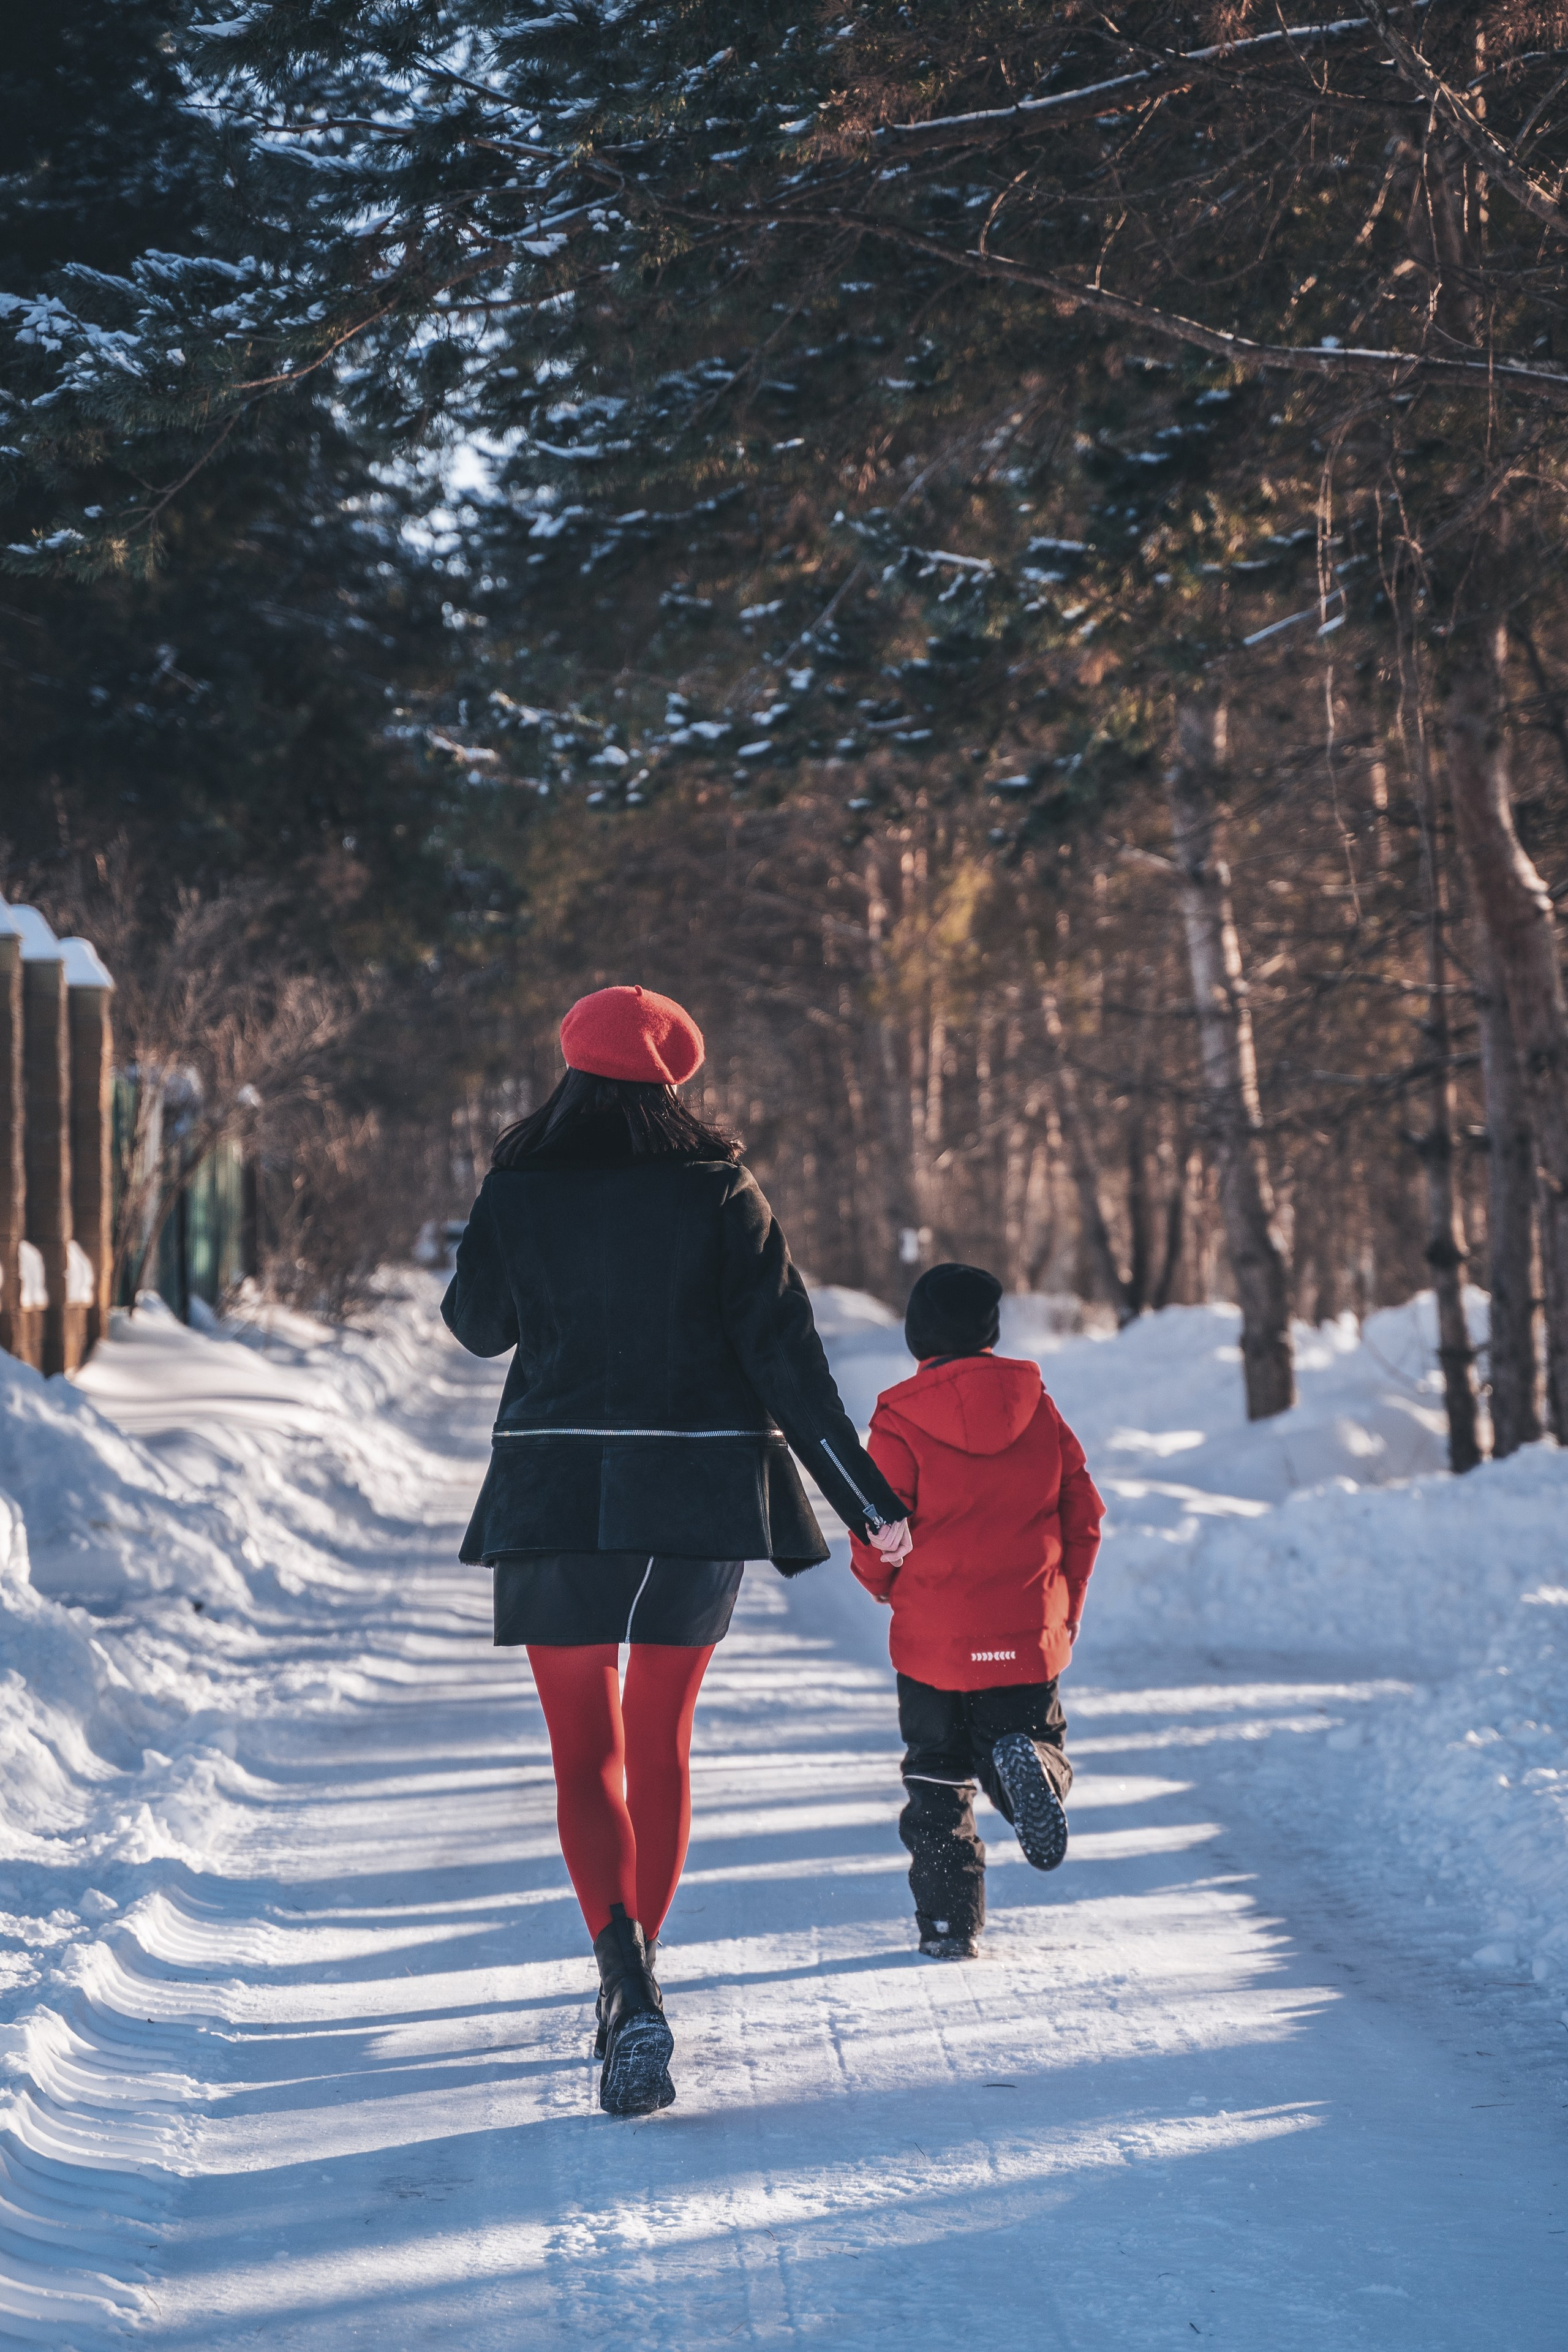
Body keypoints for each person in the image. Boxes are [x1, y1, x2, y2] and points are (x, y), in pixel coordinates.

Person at [441, 984, 910, 2114]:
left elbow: (475, 1327)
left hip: (555, 1492)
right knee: (659, 1739)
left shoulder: (521, 1185)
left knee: (581, 1754)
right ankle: (641, 1976)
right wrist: (869, 1507)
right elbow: (788, 1365)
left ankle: (624, 1981)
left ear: (572, 1070)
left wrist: (510, 1224)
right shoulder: (720, 1190)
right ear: (674, 1081)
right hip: (697, 1497)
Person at [848, 1261, 1104, 1961]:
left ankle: (947, 1925)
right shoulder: (1040, 1407)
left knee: (936, 1779)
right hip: (1024, 1632)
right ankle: (1034, 1778)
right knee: (1020, 1741)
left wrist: (879, 1583)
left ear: (916, 1336)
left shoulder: (898, 1418)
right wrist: (1064, 1608)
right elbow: (1084, 1514)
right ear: (991, 1330)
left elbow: (879, 1526)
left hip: (933, 1640)